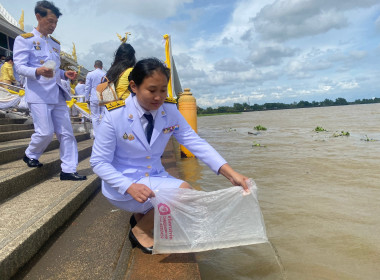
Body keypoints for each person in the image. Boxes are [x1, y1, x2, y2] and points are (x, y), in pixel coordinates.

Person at [90, 58, 249, 254]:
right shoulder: (115, 115)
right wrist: (128, 186)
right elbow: (98, 162)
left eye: (163, 90)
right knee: (185, 191)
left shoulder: (169, 110)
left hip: (155, 176)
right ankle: (139, 231)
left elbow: (194, 142)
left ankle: (144, 216)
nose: (158, 97)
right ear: (134, 86)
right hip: (123, 183)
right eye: (152, 90)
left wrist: (231, 174)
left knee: (186, 200)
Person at [13, 0, 87, 181]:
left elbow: (54, 70)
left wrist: (64, 73)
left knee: (67, 133)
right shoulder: (25, 40)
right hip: (38, 94)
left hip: (57, 93)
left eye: (55, 23)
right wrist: (37, 71)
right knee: (45, 132)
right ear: (39, 17)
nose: (53, 26)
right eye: (50, 21)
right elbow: (19, 67)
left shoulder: (55, 44)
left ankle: (68, 170)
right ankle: (31, 153)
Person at [84, 60, 106, 137]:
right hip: (103, 96)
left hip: (94, 96)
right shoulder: (105, 74)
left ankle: (96, 134)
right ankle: (103, 133)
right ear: (102, 66)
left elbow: (87, 87)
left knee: (95, 116)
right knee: (103, 115)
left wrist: (86, 98)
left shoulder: (90, 74)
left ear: (94, 66)